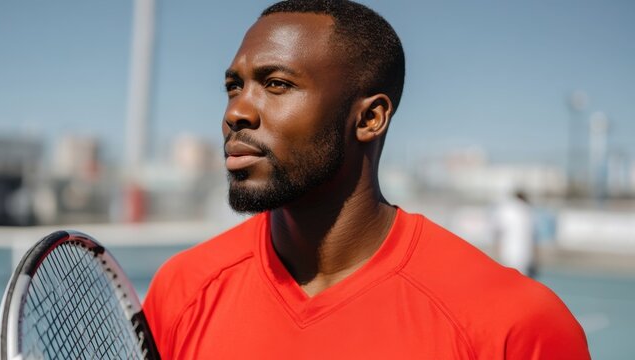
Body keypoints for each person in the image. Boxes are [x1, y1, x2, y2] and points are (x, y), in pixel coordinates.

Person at [143, 1, 590, 358]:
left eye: (276, 84)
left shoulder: (516, 324)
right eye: (233, 86)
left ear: (370, 118)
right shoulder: (182, 289)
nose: (236, 111)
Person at [492, 189, 538, 278]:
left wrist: (496, 250)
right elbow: (533, 236)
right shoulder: (528, 210)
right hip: (524, 253)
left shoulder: (505, 209)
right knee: (521, 279)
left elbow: (497, 231)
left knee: (506, 279)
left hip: (507, 250)